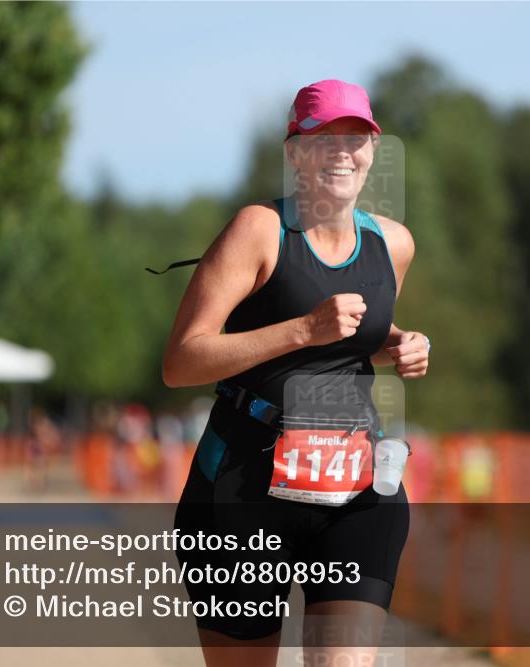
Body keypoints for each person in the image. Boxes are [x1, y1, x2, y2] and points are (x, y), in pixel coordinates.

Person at [163, 79, 430, 667]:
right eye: (324, 136)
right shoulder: (258, 230)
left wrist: (402, 343)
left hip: (356, 485)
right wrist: (302, 328)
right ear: (294, 152)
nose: (342, 151)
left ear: (373, 153)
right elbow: (181, 361)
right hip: (241, 492)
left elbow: (355, 337)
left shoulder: (394, 243)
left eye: (356, 138)